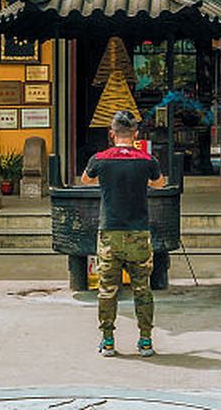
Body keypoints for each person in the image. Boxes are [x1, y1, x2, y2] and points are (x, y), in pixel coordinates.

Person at [79, 109, 167, 357]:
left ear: (111, 133)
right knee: (142, 288)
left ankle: (108, 341)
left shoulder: (100, 159)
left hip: (109, 232)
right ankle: (146, 340)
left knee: (107, 289)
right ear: (136, 134)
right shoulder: (147, 161)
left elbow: (85, 180)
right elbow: (159, 183)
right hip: (138, 232)